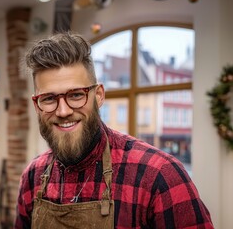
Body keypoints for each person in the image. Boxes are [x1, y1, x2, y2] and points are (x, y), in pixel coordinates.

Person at [15, 32, 214, 228]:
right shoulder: (33, 176)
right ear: (36, 105)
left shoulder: (159, 176)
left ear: (99, 95)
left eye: (76, 95)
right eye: (49, 99)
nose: (63, 111)